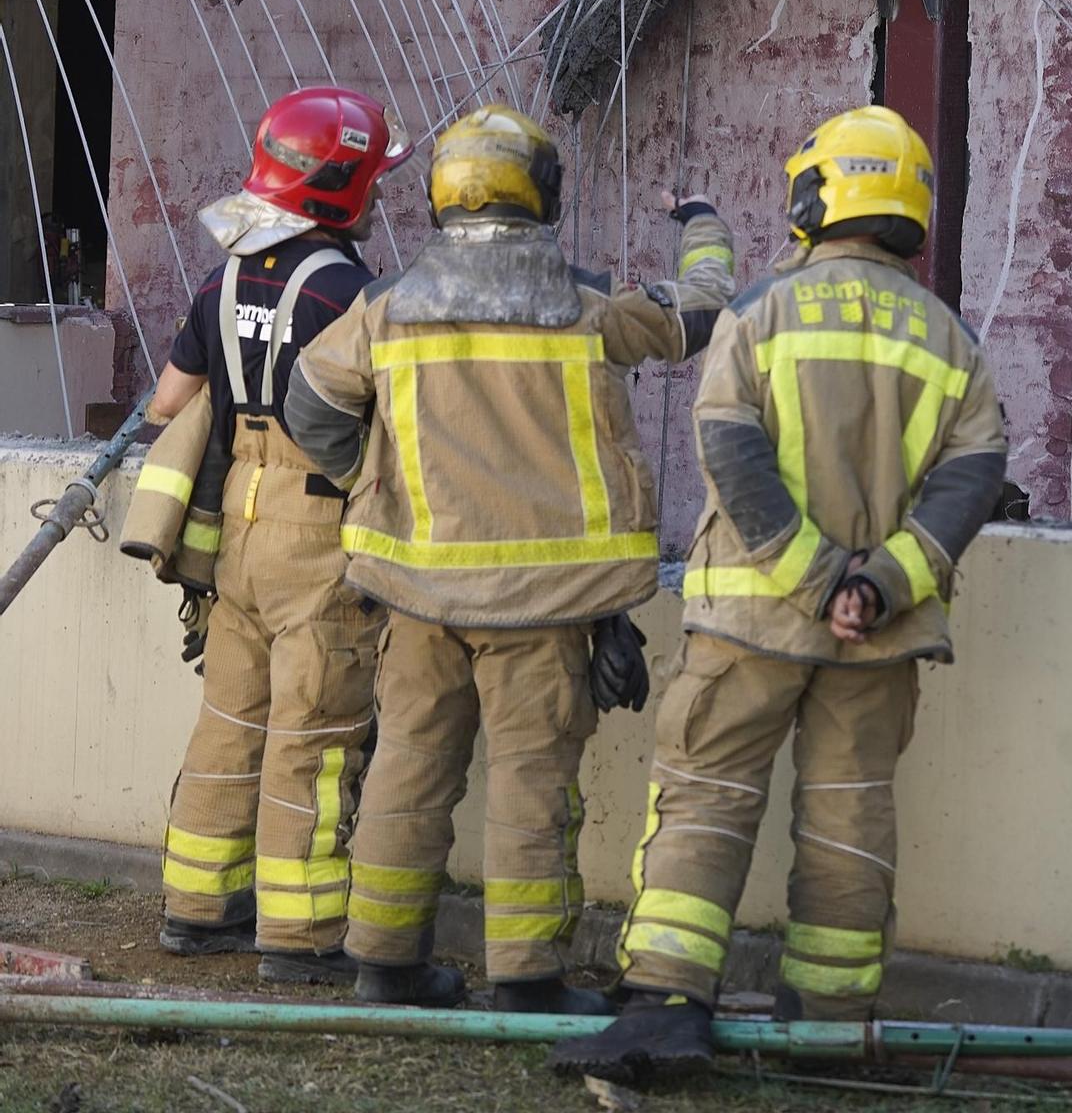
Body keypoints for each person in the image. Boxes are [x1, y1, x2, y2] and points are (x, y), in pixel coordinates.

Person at [556, 106, 1009, 1085]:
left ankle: (666, 1008)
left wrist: (813, 577)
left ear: (814, 197)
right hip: (878, 634)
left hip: (750, 617)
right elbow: (972, 477)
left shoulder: (763, 310)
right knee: (850, 816)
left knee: (706, 800)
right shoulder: (950, 339)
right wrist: (875, 585)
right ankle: (834, 1025)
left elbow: (731, 448)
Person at [284, 103, 735, 1012]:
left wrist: (373, 483)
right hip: (543, 607)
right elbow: (701, 311)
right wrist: (699, 223)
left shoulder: (386, 307)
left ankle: (383, 966)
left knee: (408, 770)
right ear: (545, 194)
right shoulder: (587, 306)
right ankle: (528, 981)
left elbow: (312, 408)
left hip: (416, 596)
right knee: (532, 787)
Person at [150, 85, 411, 985]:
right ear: (338, 186)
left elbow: (166, 406)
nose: (380, 195)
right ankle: (298, 941)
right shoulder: (350, 291)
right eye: (372, 178)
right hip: (318, 525)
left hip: (237, 525)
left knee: (230, 718)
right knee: (318, 728)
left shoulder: (220, 281)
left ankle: (197, 908)